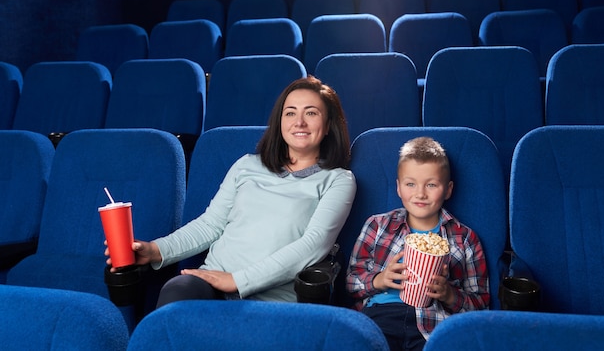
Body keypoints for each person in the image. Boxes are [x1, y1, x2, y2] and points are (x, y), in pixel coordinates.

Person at [106, 76, 356, 306]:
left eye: (311, 113)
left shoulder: (338, 179)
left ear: (327, 125)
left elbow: (312, 246)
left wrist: (238, 280)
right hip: (212, 281)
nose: (299, 122)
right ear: (280, 122)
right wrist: (154, 250)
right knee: (176, 293)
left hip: (274, 297)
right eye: (290, 113)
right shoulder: (247, 164)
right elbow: (210, 225)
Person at [345, 137, 489, 351]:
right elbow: (351, 283)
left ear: (448, 189)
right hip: (380, 316)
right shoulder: (377, 226)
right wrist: (379, 280)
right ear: (399, 188)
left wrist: (450, 295)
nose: (420, 193)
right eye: (410, 184)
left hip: (434, 323)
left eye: (431, 184)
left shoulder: (465, 238)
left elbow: (481, 305)